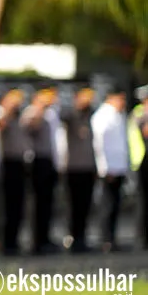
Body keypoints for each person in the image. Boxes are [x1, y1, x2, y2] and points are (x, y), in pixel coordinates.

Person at [0, 88, 27, 256]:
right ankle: (0, 241)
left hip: (18, 164)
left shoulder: (19, 117)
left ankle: (12, 240)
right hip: (3, 164)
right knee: (1, 206)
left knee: (16, 205)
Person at [22, 86, 61, 254]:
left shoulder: (52, 114)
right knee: (37, 203)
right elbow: (30, 128)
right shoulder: (32, 112)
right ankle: (36, 240)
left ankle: (45, 237)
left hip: (50, 160)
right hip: (36, 160)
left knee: (47, 202)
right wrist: (40, 108)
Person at [91, 89, 130, 253]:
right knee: (107, 204)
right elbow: (99, 144)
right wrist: (105, 167)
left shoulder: (118, 115)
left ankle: (111, 237)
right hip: (109, 168)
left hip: (118, 166)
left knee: (115, 204)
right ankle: (105, 238)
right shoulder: (103, 116)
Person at [60, 86, 97, 254]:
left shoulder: (91, 115)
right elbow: (63, 116)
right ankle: (72, 236)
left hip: (88, 167)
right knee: (73, 205)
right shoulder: (71, 115)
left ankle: (81, 236)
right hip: (73, 167)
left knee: (85, 205)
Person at [128, 84, 147, 250]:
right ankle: (141, 238)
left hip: (142, 160)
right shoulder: (140, 114)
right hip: (141, 162)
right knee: (142, 202)